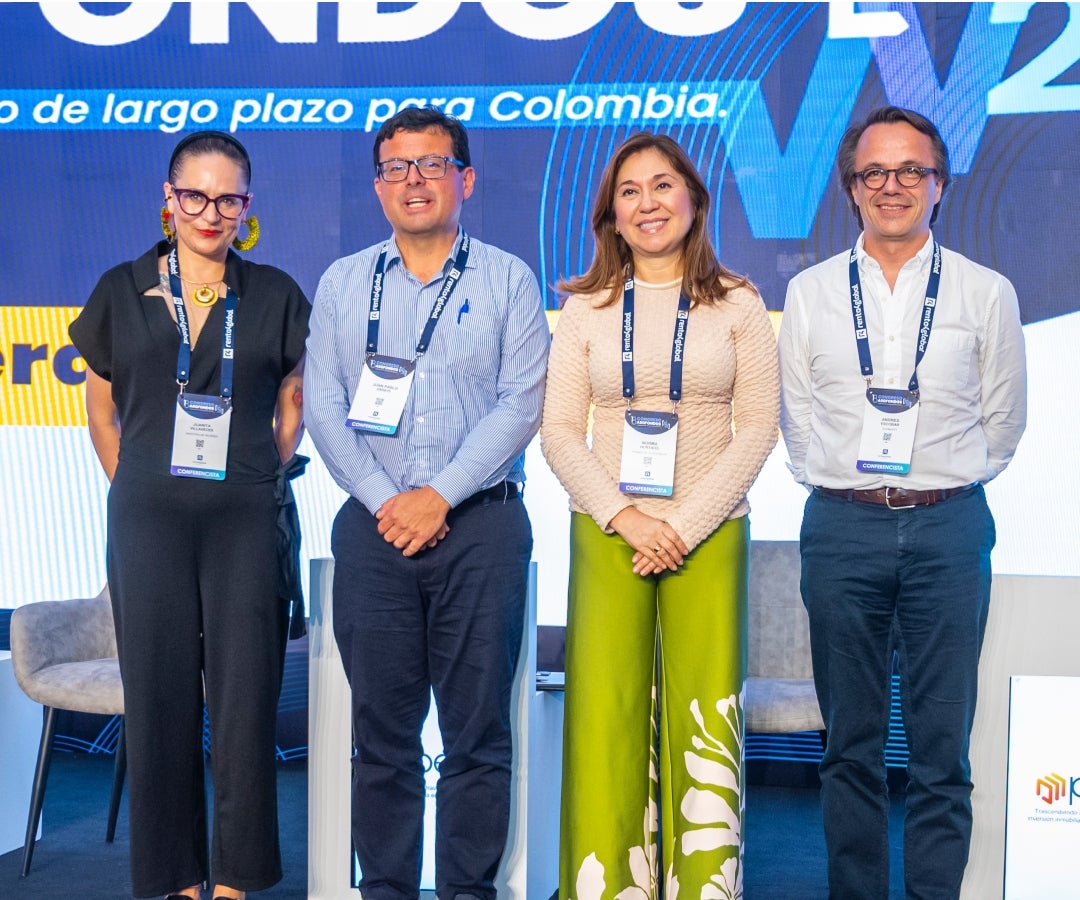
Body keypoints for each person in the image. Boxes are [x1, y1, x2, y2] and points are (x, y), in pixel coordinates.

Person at [778, 106, 1027, 898]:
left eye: (911, 171)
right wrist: (851, 484)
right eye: (875, 173)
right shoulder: (811, 292)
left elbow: (1005, 419)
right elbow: (797, 415)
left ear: (940, 185)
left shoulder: (987, 292)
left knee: (939, 747)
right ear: (852, 188)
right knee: (848, 744)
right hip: (842, 525)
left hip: (949, 527)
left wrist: (940, 479)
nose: (893, 186)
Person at [304, 107, 549, 900]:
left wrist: (438, 495)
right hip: (375, 532)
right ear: (379, 185)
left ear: (465, 179)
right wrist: (388, 502)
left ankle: (468, 891)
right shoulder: (344, 282)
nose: (413, 180)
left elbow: (522, 405)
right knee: (382, 733)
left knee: (479, 733)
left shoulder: (509, 278)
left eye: (431, 164)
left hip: (481, 525)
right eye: (396, 167)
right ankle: (385, 889)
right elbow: (323, 407)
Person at [69, 131, 309, 900]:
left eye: (229, 198)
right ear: (168, 201)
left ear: (248, 206)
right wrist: (135, 483)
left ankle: (238, 878)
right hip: (146, 520)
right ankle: (173, 878)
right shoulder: (121, 286)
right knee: (159, 696)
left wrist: (248, 477)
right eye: (195, 196)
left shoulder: (272, 293)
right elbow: (101, 409)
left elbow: (293, 405)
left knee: (243, 701)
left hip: (244, 519)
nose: (212, 213)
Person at [542, 132, 779, 899]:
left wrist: (682, 523)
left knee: (702, 723)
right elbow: (557, 432)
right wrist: (627, 518)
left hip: (709, 534)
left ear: (694, 200)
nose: (648, 203)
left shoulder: (740, 303)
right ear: (611, 212)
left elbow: (760, 427)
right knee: (605, 724)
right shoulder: (583, 308)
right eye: (630, 191)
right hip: (608, 530)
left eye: (663, 186)